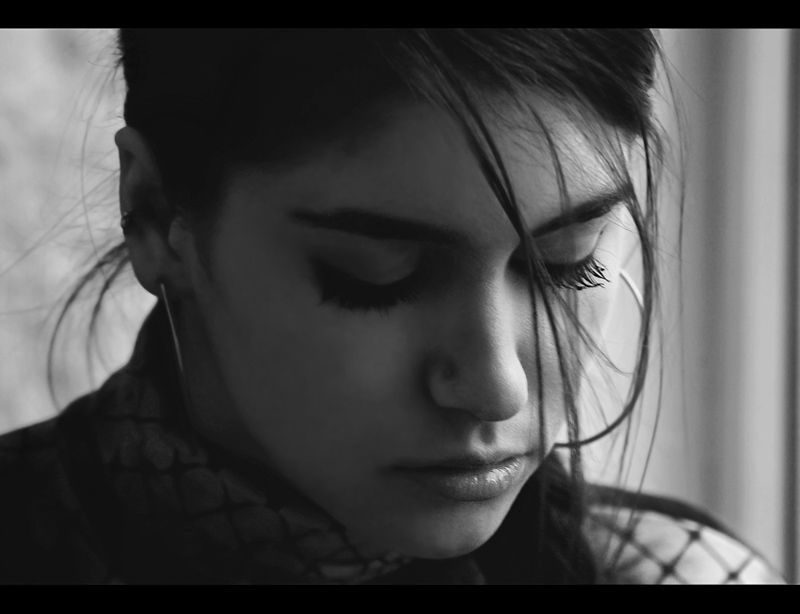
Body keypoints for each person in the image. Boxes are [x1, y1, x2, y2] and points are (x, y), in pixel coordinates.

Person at [0, 28, 785, 584]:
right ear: (154, 213)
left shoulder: (680, 574)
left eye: (565, 264)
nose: (495, 386)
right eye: (376, 276)